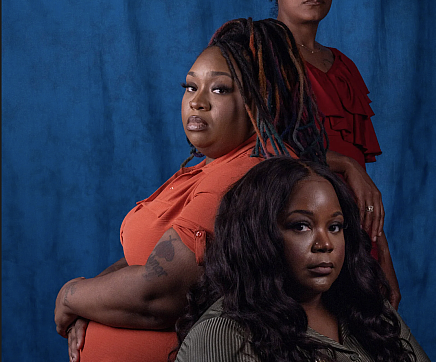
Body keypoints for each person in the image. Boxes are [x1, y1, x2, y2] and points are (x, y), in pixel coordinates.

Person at [54, 18, 327, 362]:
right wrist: (90, 303)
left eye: (219, 89)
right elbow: (151, 254)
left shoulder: (244, 173)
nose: (197, 102)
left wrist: (70, 295)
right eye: (189, 87)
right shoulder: (218, 164)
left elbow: (159, 295)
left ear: (260, 99)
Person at [174, 157, 430, 362]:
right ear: (256, 235)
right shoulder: (223, 334)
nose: (325, 244)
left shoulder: (369, 310)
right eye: (301, 226)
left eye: (335, 227)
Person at [272, 0, 401, 308]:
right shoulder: (262, 59)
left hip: (352, 233)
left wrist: (381, 250)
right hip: (290, 229)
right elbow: (263, 150)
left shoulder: (343, 67)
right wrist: (345, 163)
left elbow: (363, 188)